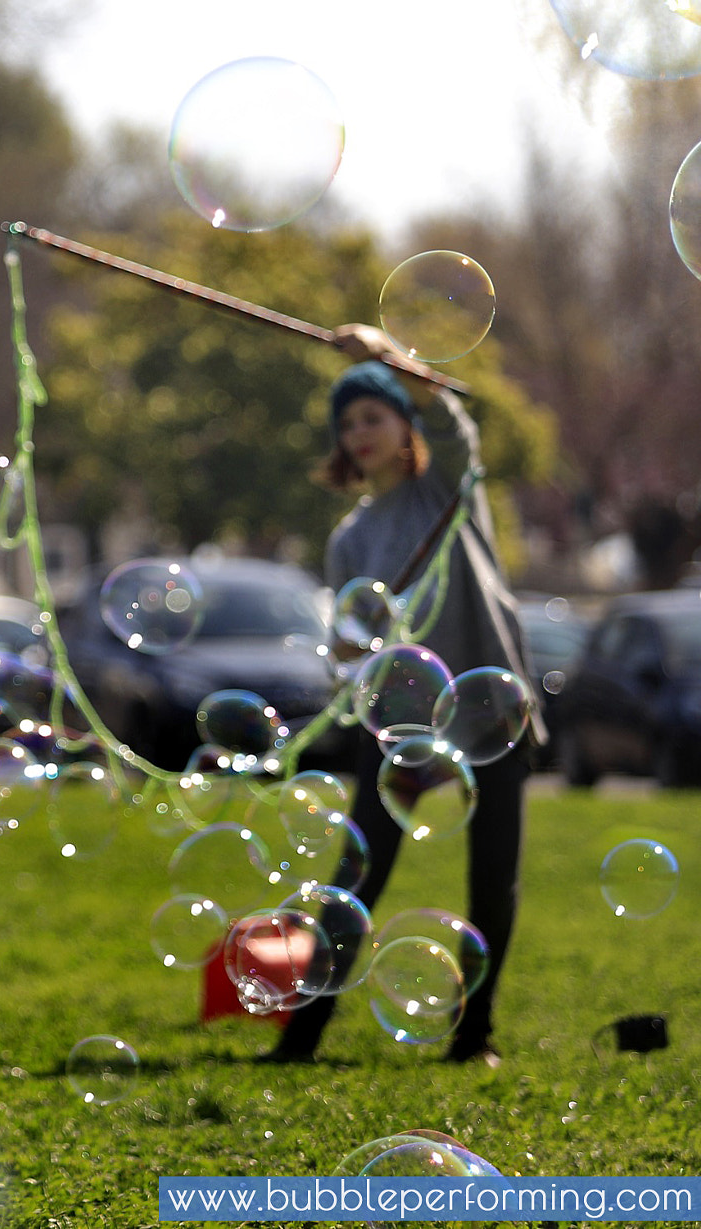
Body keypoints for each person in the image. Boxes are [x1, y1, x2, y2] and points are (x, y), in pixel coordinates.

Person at [265, 326, 545, 1069]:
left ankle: (472, 1035)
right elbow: (351, 647)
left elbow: (456, 417)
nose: (358, 434)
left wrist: (384, 354)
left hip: (491, 701)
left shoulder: (447, 487)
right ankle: (302, 1037)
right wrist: (353, 650)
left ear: (404, 425)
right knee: (356, 876)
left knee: (493, 874)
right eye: (347, 424)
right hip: (399, 720)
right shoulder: (350, 539)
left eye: (372, 416)